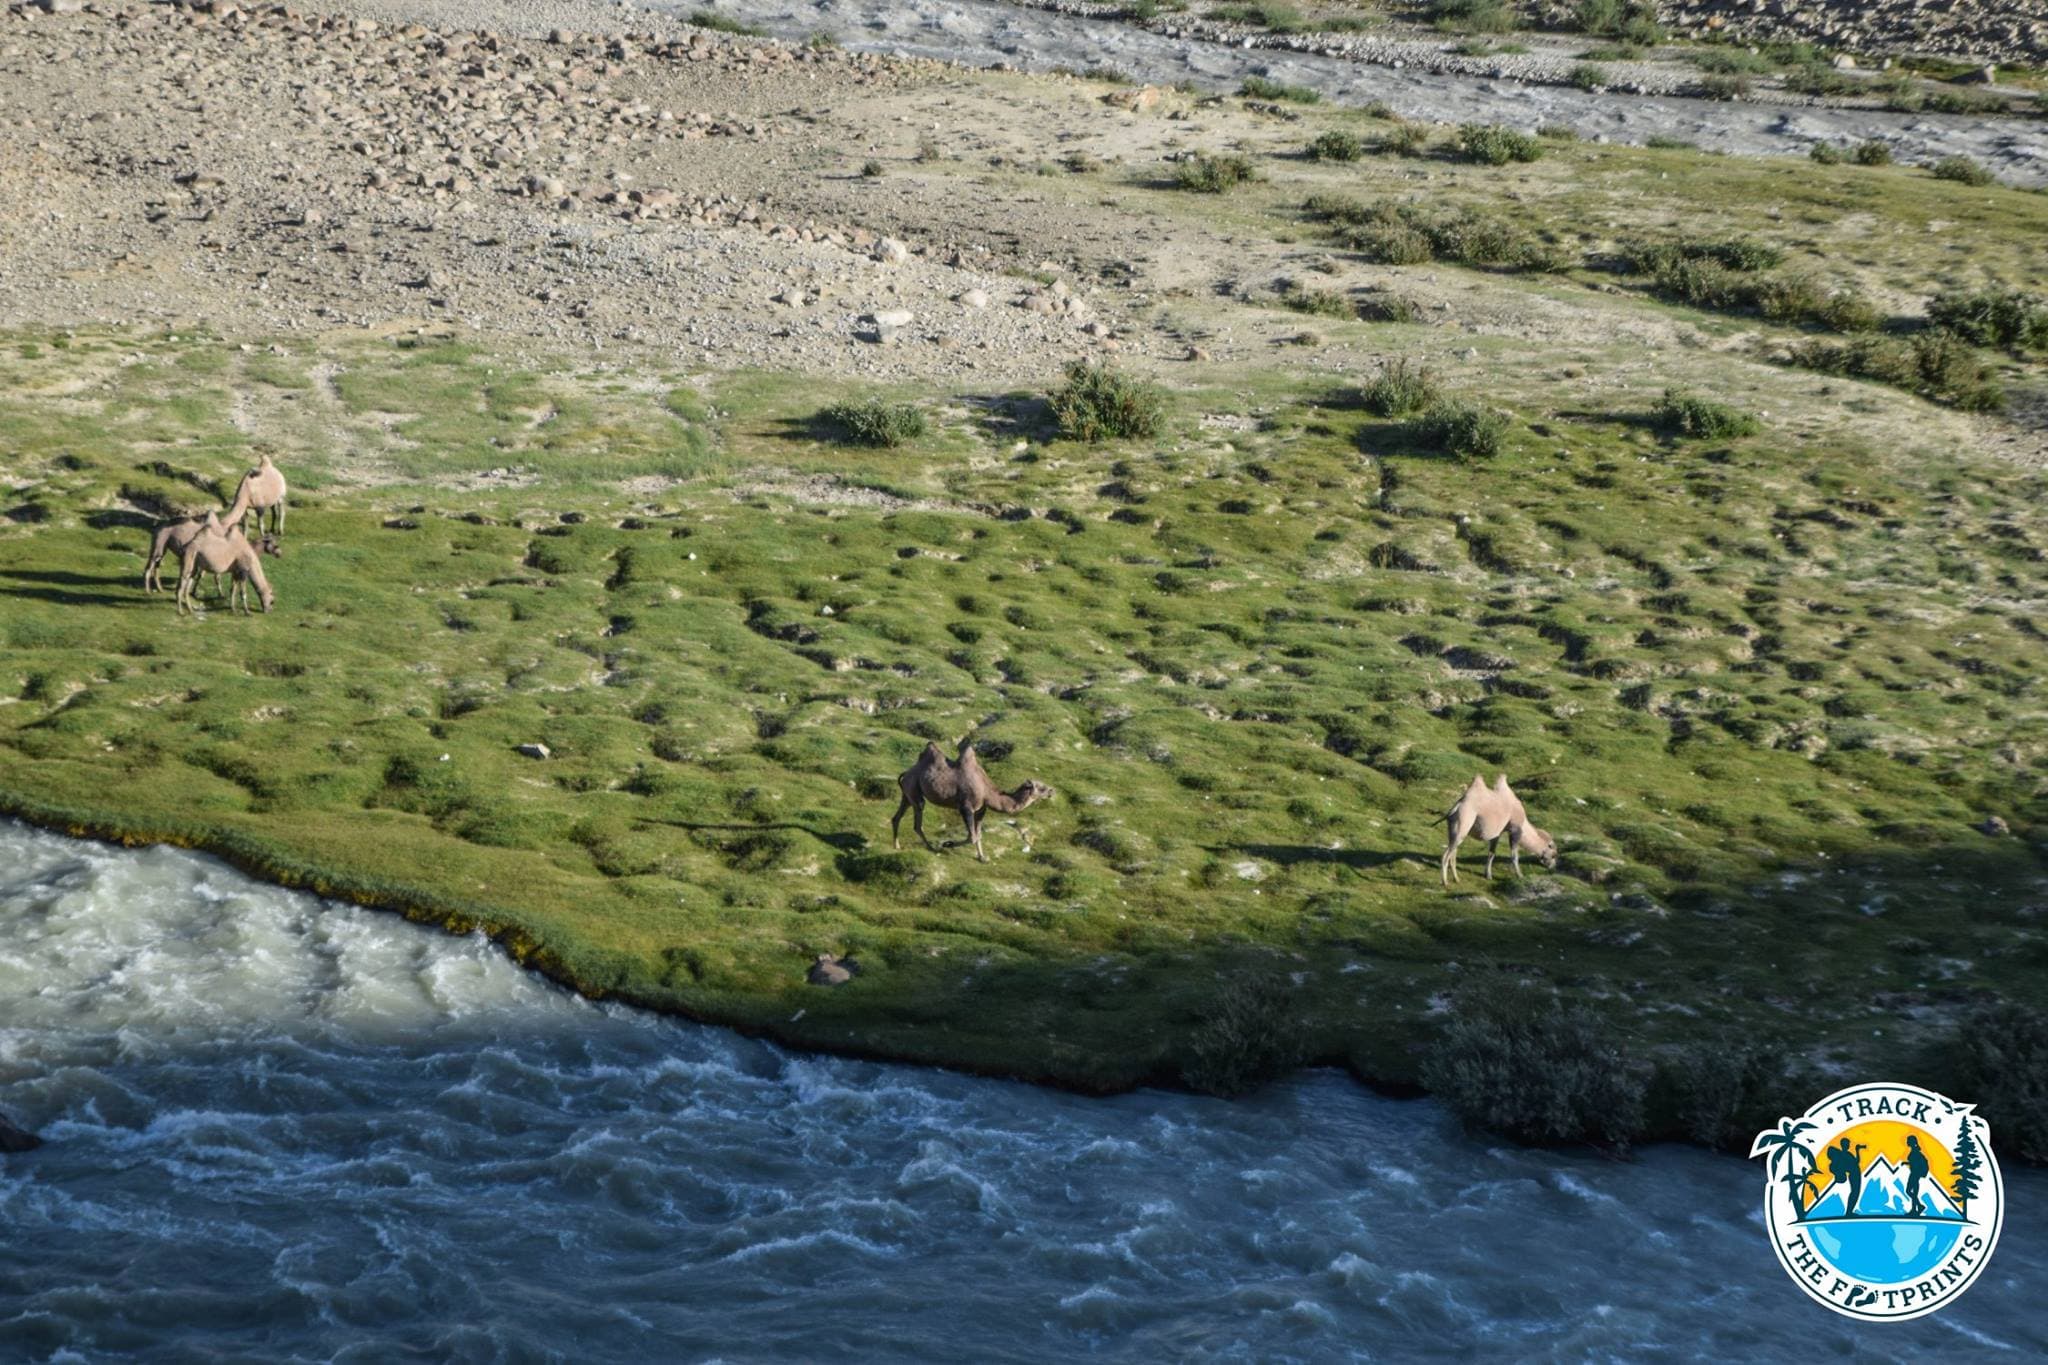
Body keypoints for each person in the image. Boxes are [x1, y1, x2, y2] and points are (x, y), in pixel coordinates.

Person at [1825, 1137, 1863, 1216]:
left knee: (1854, 1193)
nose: (1849, 1145)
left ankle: (1849, 1211)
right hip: (1854, 1174)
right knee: (1855, 1193)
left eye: (1848, 1144)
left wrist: (1857, 1150)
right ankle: (1849, 1212)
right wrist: (1857, 1150)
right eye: (1847, 1144)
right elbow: (1856, 1162)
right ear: (1844, 1145)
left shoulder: (1844, 1154)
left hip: (1854, 1174)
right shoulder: (1845, 1154)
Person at [1904, 1135, 1930, 1217]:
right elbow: (1914, 1162)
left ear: (1911, 1142)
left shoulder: (1915, 1152)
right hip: (1915, 1174)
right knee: (1913, 1192)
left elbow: (1915, 1163)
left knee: (1909, 1191)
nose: (1907, 1142)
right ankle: (1917, 1208)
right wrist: (1906, 1163)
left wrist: (1909, 1164)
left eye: (1908, 1140)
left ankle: (1916, 1208)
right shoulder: (1914, 1151)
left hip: (1915, 1174)